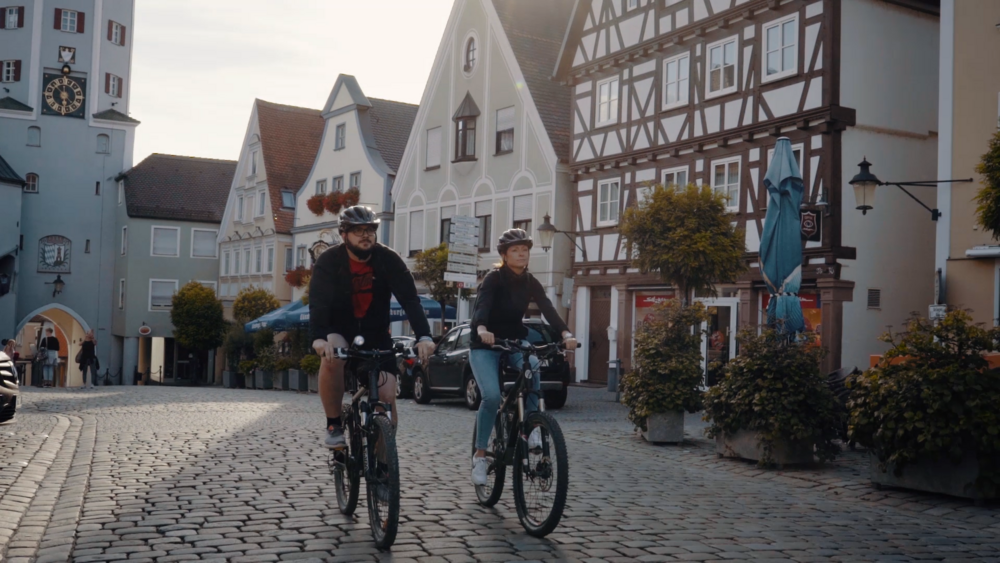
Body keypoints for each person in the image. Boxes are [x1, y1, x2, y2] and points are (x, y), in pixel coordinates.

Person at [309, 206, 435, 448]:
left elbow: (410, 300)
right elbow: (318, 303)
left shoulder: (388, 259)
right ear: (344, 235)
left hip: (376, 334)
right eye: (358, 231)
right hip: (339, 329)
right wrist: (318, 338)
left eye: (370, 230)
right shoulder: (329, 261)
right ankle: (334, 424)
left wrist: (424, 336)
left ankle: (385, 468)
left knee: (387, 398)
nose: (365, 235)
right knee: (333, 357)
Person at [469, 228, 577, 486]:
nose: (521, 254)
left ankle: (533, 428)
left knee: (531, 368)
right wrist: (482, 329)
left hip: (514, 341)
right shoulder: (493, 279)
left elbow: (548, 309)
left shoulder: (530, 281)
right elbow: (482, 307)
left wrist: (565, 332)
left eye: (525, 250)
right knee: (492, 396)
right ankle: (481, 455)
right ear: (505, 255)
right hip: (485, 344)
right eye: (515, 250)